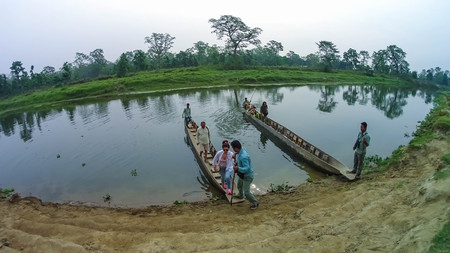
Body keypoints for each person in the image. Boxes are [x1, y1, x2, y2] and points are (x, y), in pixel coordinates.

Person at [231, 140, 259, 210]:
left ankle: (255, 202)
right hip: (242, 175)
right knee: (239, 185)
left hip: (247, 176)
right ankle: (240, 195)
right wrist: (235, 154)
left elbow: (246, 168)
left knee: (246, 192)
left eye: (233, 148)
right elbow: (239, 152)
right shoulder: (242, 150)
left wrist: (237, 168)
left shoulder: (243, 157)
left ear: (235, 148)